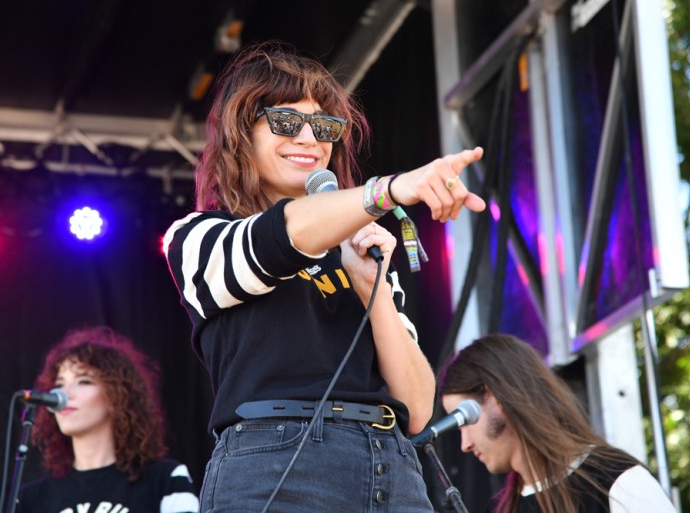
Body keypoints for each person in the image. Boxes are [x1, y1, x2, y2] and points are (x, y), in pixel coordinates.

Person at [163, 40, 487, 512]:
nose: (309, 139)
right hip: (277, 464)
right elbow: (280, 236)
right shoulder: (198, 236)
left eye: (324, 126)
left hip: (391, 465)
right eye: (285, 122)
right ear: (240, 134)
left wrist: (369, 288)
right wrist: (392, 189)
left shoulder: (362, 249)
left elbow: (417, 409)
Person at [438, 333, 677, 513]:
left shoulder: (616, 481)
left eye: (465, 420)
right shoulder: (504, 507)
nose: (465, 444)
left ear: (495, 398)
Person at [17, 326, 199, 513]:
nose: (64, 393)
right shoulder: (31, 498)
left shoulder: (165, 478)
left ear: (117, 395)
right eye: (60, 384)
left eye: (84, 381)